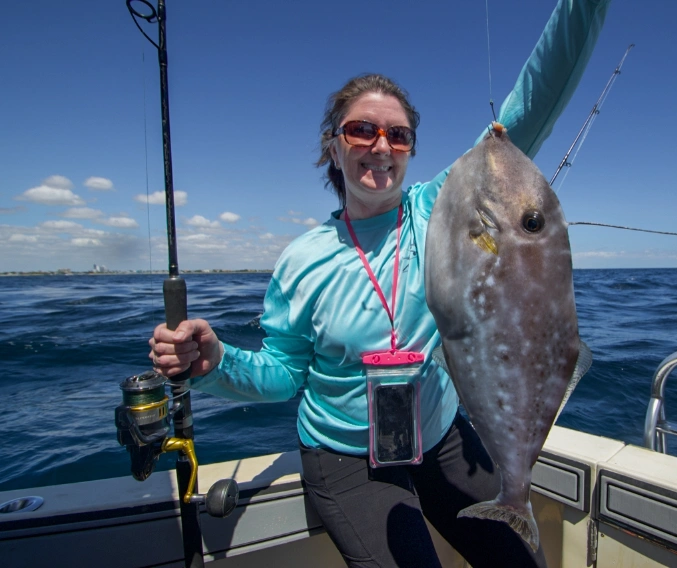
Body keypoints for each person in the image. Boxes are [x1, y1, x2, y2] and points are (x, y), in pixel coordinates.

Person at [150, 1, 610, 565]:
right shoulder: (302, 260)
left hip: (438, 434)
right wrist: (217, 363)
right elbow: (282, 375)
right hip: (345, 458)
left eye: (399, 134)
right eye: (362, 129)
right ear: (334, 144)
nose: (381, 145)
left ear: (412, 148)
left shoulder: (447, 207)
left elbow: (534, 103)